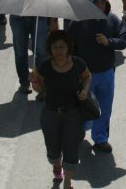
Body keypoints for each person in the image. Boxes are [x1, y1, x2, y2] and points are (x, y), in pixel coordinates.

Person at [69, 0, 126, 154]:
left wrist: (108, 41)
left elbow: (124, 40)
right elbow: (68, 43)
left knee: (105, 108)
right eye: (96, 3)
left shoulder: (113, 20)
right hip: (85, 75)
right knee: (83, 105)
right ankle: (81, 129)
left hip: (106, 73)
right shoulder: (79, 21)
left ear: (106, 5)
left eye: (102, 3)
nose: (99, 6)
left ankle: (100, 139)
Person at [29, 30, 91, 189]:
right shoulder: (44, 67)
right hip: (50, 113)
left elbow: (87, 77)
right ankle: (57, 166)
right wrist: (34, 82)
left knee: (71, 148)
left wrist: (84, 90)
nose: (59, 50)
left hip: (73, 113)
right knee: (53, 146)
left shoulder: (78, 63)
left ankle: (68, 182)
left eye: (62, 47)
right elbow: (40, 90)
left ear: (68, 47)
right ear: (50, 49)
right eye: (55, 47)